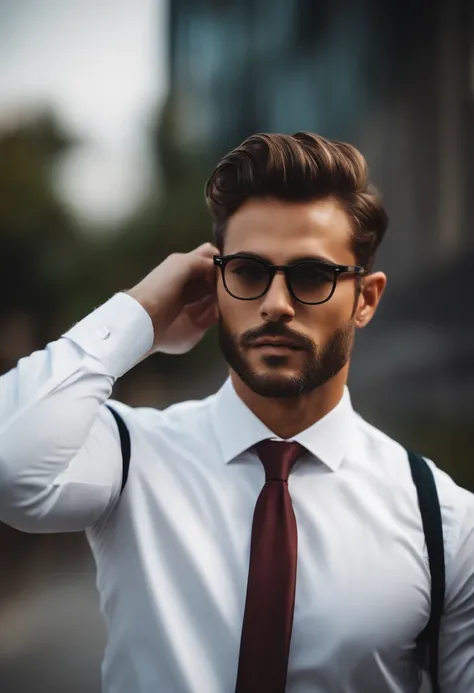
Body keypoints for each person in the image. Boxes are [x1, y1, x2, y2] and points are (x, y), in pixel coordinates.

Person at [0, 132, 472, 693]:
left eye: (312, 276)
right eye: (247, 271)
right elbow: (10, 468)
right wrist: (140, 315)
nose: (275, 303)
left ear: (366, 299)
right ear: (215, 281)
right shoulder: (129, 454)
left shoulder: (444, 523)